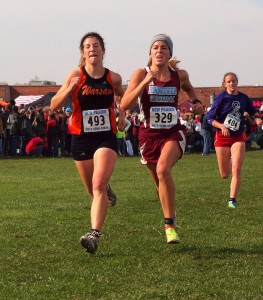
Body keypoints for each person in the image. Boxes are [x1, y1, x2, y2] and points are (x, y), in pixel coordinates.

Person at [120, 33, 202, 245]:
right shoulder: (140, 73)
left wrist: (196, 100)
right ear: (150, 53)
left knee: (163, 170)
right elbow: (125, 104)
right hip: (148, 135)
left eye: (164, 48)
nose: (159, 50)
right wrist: (144, 83)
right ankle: (168, 213)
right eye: (155, 47)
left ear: (169, 54)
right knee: (159, 184)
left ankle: (170, 225)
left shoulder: (179, 74)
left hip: (172, 131)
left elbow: (189, 88)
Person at [50, 32, 125, 254]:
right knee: (93, 191)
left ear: (103, 50)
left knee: (98, 184)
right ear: (83, 52)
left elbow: (124, 97)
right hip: (81, 137)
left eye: (96, 46)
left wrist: (122, 114)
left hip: (106, 137)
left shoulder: (114, 78)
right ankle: (105, 192)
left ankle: (94, 235)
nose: (92, 49)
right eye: (87, 46)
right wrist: (68, 88)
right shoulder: (76, 75)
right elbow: (54, 105)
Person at [207, 72, 263, 208]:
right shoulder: (220, 98)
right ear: (225, 84)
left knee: (237, 169)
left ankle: (232, 200)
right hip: (222, 136)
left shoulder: (243, 98)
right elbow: (209, 118)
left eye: (234, 81)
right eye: (229, 81)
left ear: (237, 82)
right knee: (225, 174)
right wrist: (221, 126)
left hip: (238, 135)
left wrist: (257, 117)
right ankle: (231, 160)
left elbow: (253, 110)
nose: (232, 83)